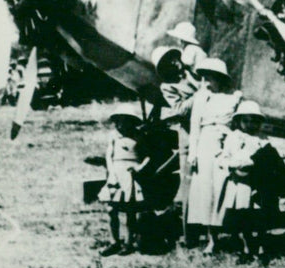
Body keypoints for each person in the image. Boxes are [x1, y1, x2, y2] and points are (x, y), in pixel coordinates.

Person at [212, 100, 278, 262]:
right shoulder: (233, 137)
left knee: (260, 216)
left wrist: (258, 163)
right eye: (246, 120)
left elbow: (270, 159)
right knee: (243, 216)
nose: (250, 124)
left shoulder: (262, 139)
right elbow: (223, 158)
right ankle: (246, 248)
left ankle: (261, 248)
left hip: (258, 183)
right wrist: (232, 165)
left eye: (254, 121)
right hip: (240, 182)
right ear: (239, 121)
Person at [187, 58, 242, 253]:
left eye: (210, 78)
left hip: (226, 144)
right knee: (207, 192)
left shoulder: (234, 97)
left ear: (220, 78)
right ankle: (213, 238)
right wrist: (193, 152)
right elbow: (195, 127)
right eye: (204, 78)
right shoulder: (201, 98)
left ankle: (234, 234)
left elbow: (239, 124)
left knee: (227, 188)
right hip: (205, 145)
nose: (206, 82)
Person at [151, 45, 200, 243]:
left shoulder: (195, 75)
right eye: (167, 62)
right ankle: (189, 234)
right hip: (188, 137)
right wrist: (201, 95)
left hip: (206, 135)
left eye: (174, 57)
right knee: (188, 185)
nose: (174, 63)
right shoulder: (168, 87)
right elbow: (180, 110)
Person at [97, 113, 149, 255]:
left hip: (131, 174)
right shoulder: (114, 135)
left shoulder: (139, 135)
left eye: (125, 121)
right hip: (116, 172)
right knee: (111, 209)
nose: (121, 125)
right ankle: (114, 242)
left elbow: (148, 156)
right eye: (118, 121)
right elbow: (109, 155)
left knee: (129, 210)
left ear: (131, 122)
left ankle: (128, 242)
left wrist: (139, 168)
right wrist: (112, 172)